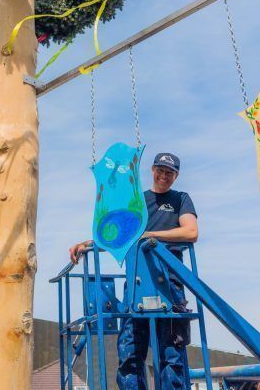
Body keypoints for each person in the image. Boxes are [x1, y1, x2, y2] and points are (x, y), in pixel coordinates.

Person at [68, 152, 199, 390]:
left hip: (170, 283)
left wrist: (150, 235)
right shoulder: (139, 201)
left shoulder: (181, 199)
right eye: (160, 170)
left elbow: (191, 232)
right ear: (152, 170)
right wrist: (87, 244)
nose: (164, 176)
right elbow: (118, 235)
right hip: (137, 282)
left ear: (176, 176)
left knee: (171, 353)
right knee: (130, 351)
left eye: (169, 173)